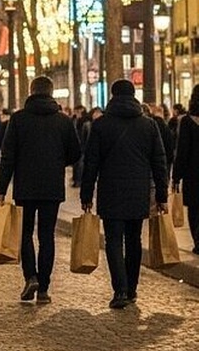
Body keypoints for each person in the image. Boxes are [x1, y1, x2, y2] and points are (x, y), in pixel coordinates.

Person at [80, 79, 168, 309]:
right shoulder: (148, 125)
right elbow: (159, 161)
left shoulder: (101, 125)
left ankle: (119, 290)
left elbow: (91, 163)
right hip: (138, 191)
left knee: (113, 240)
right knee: (134, 239)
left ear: (112, 95)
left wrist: (86, 194)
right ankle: (132, 288)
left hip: (111, 190)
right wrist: (162, 195)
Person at [0, 76, 81, 304]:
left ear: (31, 92)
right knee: (46, 236)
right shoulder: (63, 120)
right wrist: (57, 161)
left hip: (25, 185)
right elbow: (76, 153)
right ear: (51, 93)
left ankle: (30, 276)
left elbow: (8, 156)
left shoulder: (19, 119)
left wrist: (0, 189)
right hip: (52, 186)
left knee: (25, 234)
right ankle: (43, 288)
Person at [173, 84, 199, 255]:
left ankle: (198, 241)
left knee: (195, 210)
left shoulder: (188, 122)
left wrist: (176, 177)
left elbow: (182, 151)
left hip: (193, 173)